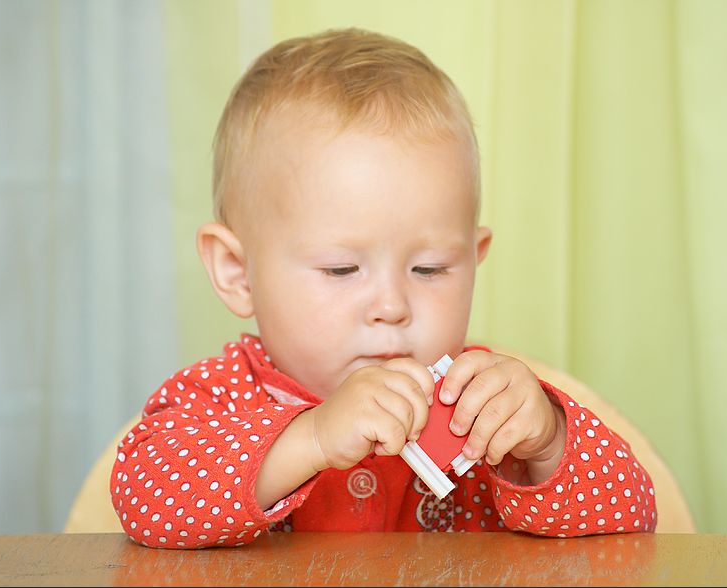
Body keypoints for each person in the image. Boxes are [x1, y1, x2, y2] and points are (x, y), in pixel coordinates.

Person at [111, 28, 657, 548]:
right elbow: (145, 502)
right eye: (342, 270)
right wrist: (314, 438)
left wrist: (548, 441)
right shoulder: (216, 399)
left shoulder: (485, 407)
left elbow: (633, 526)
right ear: (236, 271)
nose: (392, 307)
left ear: (473, 260)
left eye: (430, 269)